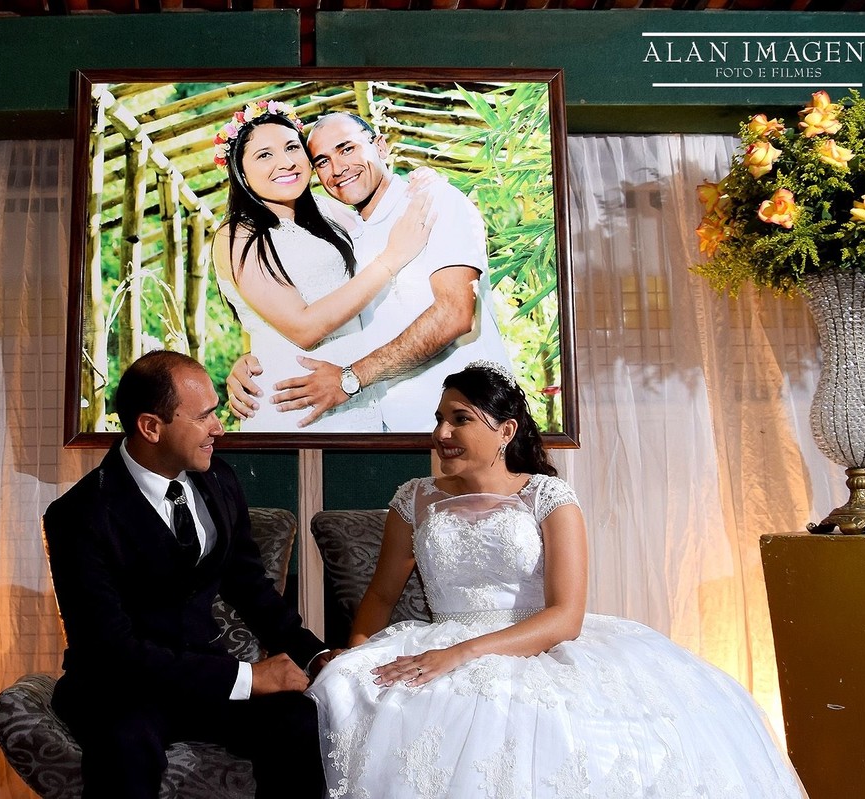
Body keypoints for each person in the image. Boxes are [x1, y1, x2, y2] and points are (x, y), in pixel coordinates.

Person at [306, 361, 808, 798]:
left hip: (538, 641)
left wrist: (461, 653)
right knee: (348, 684)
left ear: (506, 431)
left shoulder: (549, 498)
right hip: (439, 633)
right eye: (439, 419)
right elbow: (380, 595)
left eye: (460, 419)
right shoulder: (413, 499)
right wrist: (357, 648)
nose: (442, 433)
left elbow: (566, 617)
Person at [43, 350, 333, 798]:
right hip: (119, 686)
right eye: (205, 417)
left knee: (299, 721)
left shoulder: (218, 477)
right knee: (126, 743)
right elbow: (112, 649)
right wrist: (248, 678)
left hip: (204, 677)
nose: (219, 427)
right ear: (151, 427)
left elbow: (250, 587)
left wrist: (315, 655)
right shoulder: (77, 516)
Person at [229, 111, 515, 432]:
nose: (338, 169)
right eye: (322, 161)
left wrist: (351, 378)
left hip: (471, 420)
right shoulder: (348, 233)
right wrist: (260, 359)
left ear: (380, 146)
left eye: (347, 149)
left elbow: (455, 314)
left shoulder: (430, 202)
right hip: (394, 428)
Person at [211, 100, 434, 432]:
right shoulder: (237, 236)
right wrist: (391, 258)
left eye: (291, 147)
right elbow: (303, 328)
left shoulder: (329, 212)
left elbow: (383, 220)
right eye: (264, 155)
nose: (285, 163)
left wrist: (421, 181)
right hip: (295, 406)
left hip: (359, 392)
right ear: (240, 171)